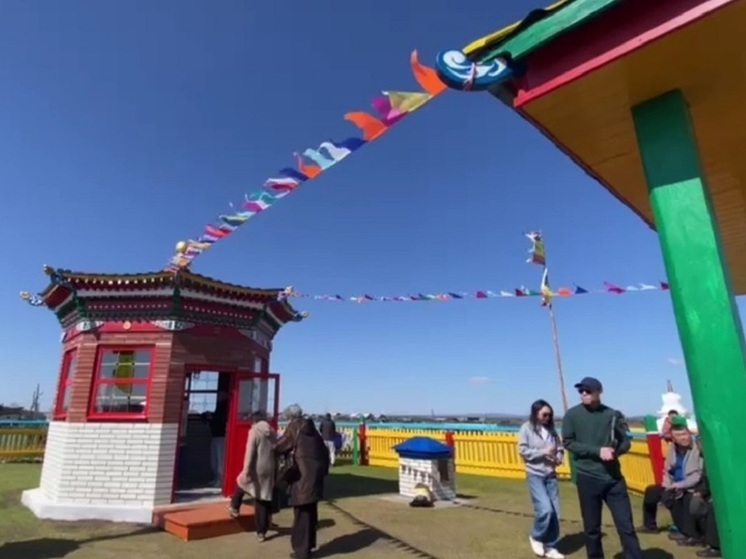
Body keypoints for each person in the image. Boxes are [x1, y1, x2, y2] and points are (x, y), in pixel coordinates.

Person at [562, 377, 642, 559]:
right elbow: (568, 442)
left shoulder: (613, 415)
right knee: (592, 528)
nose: (583, 394)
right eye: (581, 391)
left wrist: (615, 452)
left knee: (626, 526)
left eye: (588, 391)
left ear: (599, 392)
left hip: (614, 479)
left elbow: (626, 442)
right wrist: (597, 451)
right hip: (587, 477)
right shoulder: (572, 415)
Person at [639, 416, 702, 538]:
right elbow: (667, 470)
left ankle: (685, 531)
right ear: (673, 439)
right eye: (679, 436)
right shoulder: (673, 449)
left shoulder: (697, 449)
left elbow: (697, 475)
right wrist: (667, 485)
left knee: (678, 499)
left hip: (690, 486)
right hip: (674, 484)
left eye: (685, 434)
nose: (684, 438)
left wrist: (679, 485)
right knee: (652, 491)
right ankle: (649, 525)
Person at [276, 416, 329, 559]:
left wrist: (270, 446)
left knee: (301, 515)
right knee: (311, 513)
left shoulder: (294, 428)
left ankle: (301, 551)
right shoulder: (315, 433)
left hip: (301, 478)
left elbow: (280, 445)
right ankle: (309, 546)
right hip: (315, 478)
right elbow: (325, 454)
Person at [517, 399, 565, 559]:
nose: (547, 417)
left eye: (550, 415)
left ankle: (550, 546)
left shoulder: (551, 430)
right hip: (535, 474)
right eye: (545, 414)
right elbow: (523, 451)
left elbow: (559, 448)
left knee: (555, 513)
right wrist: (543, 452)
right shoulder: (526, 428)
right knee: (545, 509)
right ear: (536, 413)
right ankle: (536, 536)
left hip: (551, 474)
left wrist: (558, 457)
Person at [228, 410, 277, 541]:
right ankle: (261, 532)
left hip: (256, 466)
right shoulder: (272, 432)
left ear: (254, 420)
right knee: (262, 499)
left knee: (241, 482)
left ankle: (234, 507)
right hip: (269, 467)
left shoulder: (254, 431)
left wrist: (246, 470)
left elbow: (250, 452)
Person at [689, 444, 721, 557]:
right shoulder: (708, 460)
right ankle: (697, 535)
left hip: (724, 494)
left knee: (713, 507)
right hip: (710, 491)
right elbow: (705, 479)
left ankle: (715, 546)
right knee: (695, 502)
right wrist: (700, 491)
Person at [203, 389, 229, 487]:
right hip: (215, 435)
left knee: (219, 458)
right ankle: (216, 478)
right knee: (215, 458)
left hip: (221, 436)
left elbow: (221, 419)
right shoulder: (219, 406)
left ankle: (220, 479)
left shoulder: (225, 406)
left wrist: (212, 418)